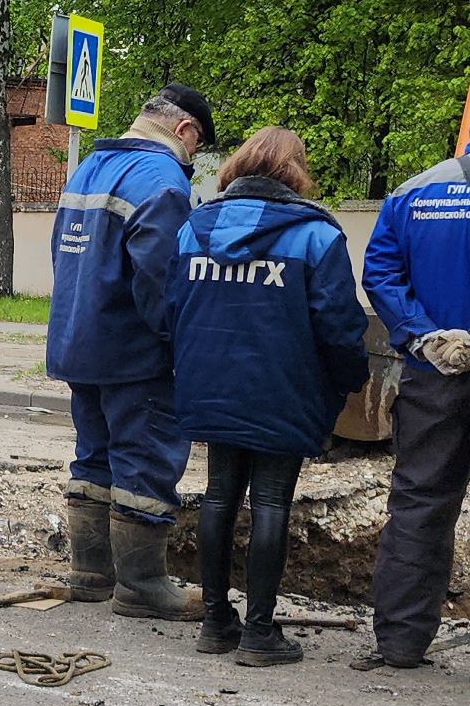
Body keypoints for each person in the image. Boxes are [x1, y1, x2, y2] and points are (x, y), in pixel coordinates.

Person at [166, 128, 369, 666]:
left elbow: (171, 308)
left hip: (209, 383)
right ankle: (259, 633)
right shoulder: (315, 235)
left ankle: (214, 623)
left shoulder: (195, 227)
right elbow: (340, 326)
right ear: (294, 172)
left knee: (218, 496)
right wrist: (350, 380)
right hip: (284, 387)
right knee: (271, 503)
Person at [46, 84, 212, 621]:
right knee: (145, 461)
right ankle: (141, 586)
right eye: (197, 148)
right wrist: (181, 342)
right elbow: (162, 276)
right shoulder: (161, 180)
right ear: (185, 130)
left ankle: (91, 573)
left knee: (94, 456)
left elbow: (61, 253)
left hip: (81, 340)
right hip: (135, 354)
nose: (192, 159)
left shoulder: (91, 168)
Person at [361, 142, 470, 668]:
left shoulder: (414, 192)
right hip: (436, 371)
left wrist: (424, 336)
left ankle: (401, 643)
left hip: (436, 374)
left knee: (420, 504)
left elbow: (381, 273)